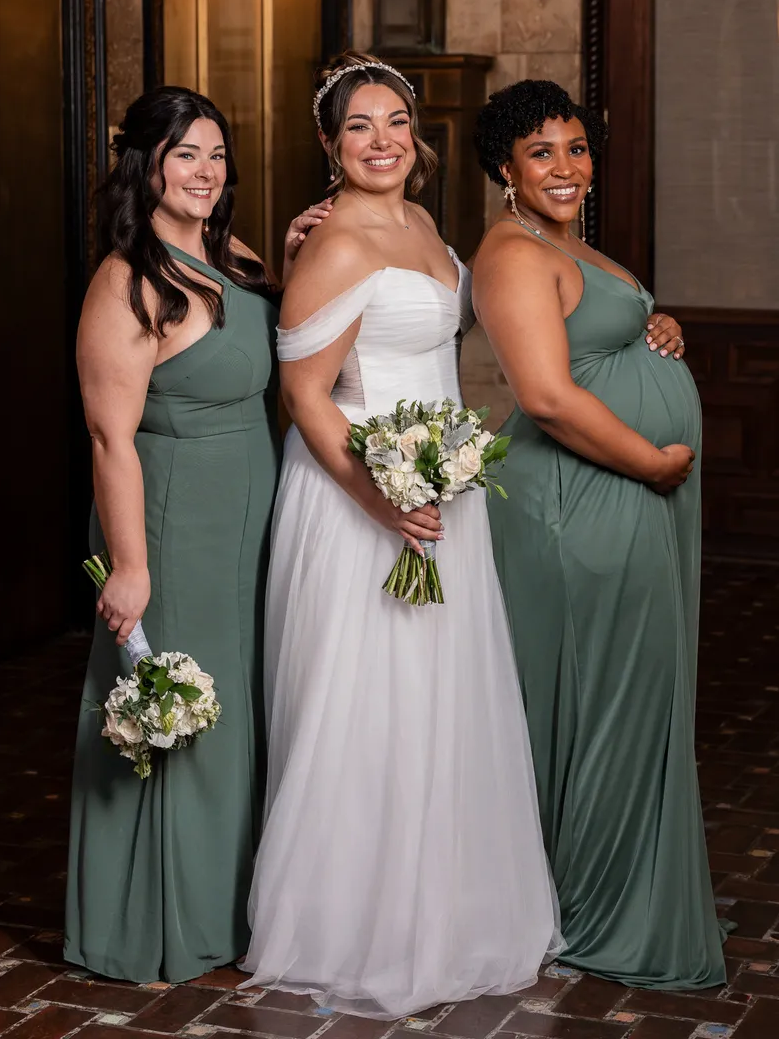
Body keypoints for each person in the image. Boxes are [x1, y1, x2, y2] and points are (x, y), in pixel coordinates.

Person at [239, 53, 562, 1019]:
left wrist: (436, 476)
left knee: (440, 702)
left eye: (394, 124)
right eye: (357, 128)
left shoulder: (422, 224)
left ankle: (453, 907)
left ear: (415, 138)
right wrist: (381, 497)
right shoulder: (335, 241)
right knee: (367, 704)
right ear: (330, 147)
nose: (380, 142)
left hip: (436, 490)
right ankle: (356, 923)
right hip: (357, 497)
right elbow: (304, 395)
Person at [65, 85, 330, 985]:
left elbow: (281, 345)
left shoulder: (237, 257)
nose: (207, 172)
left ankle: (233, 903)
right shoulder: (126, 280)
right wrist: (132, 566)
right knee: (181, 707)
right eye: (187, 154)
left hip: (253, 507)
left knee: (245, 702)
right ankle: (154, 921)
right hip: (173, 515)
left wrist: (292, 260)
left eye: (218, 154)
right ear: (146, 166)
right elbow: (111, 437)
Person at [472, 79, 729, 989]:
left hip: (618, 497)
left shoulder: (569, 245)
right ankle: (585, 902)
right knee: (600, 701)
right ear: (505, 168)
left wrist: (653, 327)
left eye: (576, 148)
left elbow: (592, 341)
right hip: (577, 503)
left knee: (633, 692)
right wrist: (653, 465)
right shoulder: (510, 251)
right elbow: (545, 396)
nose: (567, 167)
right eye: (542, 152)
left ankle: (610, 887)